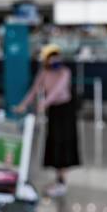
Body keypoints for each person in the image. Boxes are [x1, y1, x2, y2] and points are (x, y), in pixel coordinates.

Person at [14, 44, 80, 197]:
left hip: (65, 111)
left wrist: (44, 103)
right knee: (55, 144)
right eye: (52, 58)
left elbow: (57, 89)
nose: (55, 61)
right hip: (54, 111)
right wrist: (23, 105)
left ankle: (62, 182)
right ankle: (58, 179)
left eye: (57, 58)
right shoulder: (44, 72)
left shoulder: (65, 72)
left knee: (65, 145)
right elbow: (35, 89)